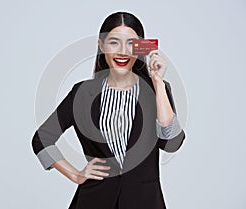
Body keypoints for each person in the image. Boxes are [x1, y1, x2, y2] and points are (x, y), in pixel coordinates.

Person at [31, 11, 186, 209]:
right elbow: (41, 139)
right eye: (114, 42)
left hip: (144, 201)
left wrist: (157, 82)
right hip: (94, 200)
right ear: (101, 45)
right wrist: (75, 174)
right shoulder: (82, 93)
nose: (123, 51)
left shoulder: (157, 90)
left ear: (140, 48)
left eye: (131, 43)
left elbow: (172, 143)